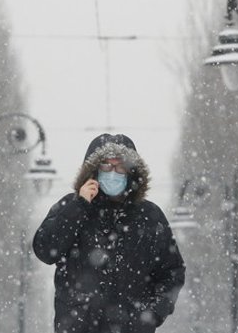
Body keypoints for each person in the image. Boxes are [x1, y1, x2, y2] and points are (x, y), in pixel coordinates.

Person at [33, 133, 186, 333]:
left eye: (120, 166)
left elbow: (172, 272)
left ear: (131, 172)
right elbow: (45, 250)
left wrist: (153, 314)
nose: (113, 173)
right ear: (93, 171)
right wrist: (79, 206)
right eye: (106, 165)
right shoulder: (70, 206)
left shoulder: (150, 216)